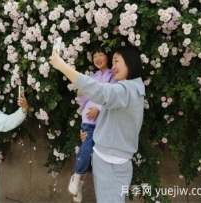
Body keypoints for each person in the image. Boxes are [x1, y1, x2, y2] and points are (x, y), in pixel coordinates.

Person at [50, 45, 145, 203]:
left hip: (111, 163)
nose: (113, 67)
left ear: (130, 62)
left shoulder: (125, 90)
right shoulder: (133, 88)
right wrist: (92, 135)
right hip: (108, 159)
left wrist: (62, 66)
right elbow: (111, 118)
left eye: (116, 61)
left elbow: (99, 92)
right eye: (113, 62)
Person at [69, 45, 116, 203]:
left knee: (94, 157)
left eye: (101, 54)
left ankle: (79, 181)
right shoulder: (91, 78)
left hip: (103, 124)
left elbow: (111, 97)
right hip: (89, 122)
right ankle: (77, 178)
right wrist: (80, 95)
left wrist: (98, 109)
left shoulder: (113, 76)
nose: (97, 58)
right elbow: (83, 103)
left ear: (107, 57)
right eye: (95, 56)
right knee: (87, 149)